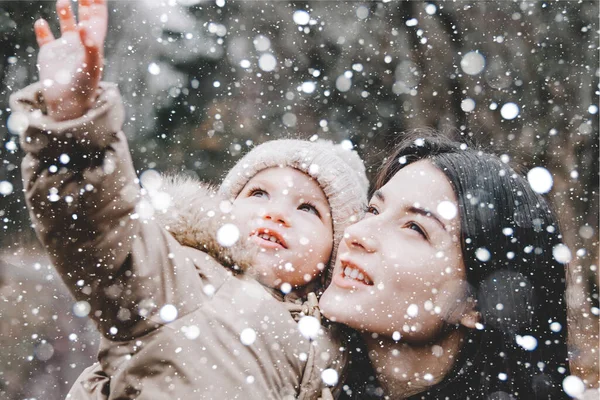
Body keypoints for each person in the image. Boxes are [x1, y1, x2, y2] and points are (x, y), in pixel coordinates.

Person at [10, 0, 369, 398]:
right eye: (259, 193)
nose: (276, 213)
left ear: (335, 249)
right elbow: (100, 227)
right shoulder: (182, 279)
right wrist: (75, 126)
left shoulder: (341, 347)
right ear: (225, 208)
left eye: (307, 208)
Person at [319, 131, 571, 399]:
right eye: (373, 210)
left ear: (477, 303)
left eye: (415, 228)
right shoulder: (295, 374)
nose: (357, 234)